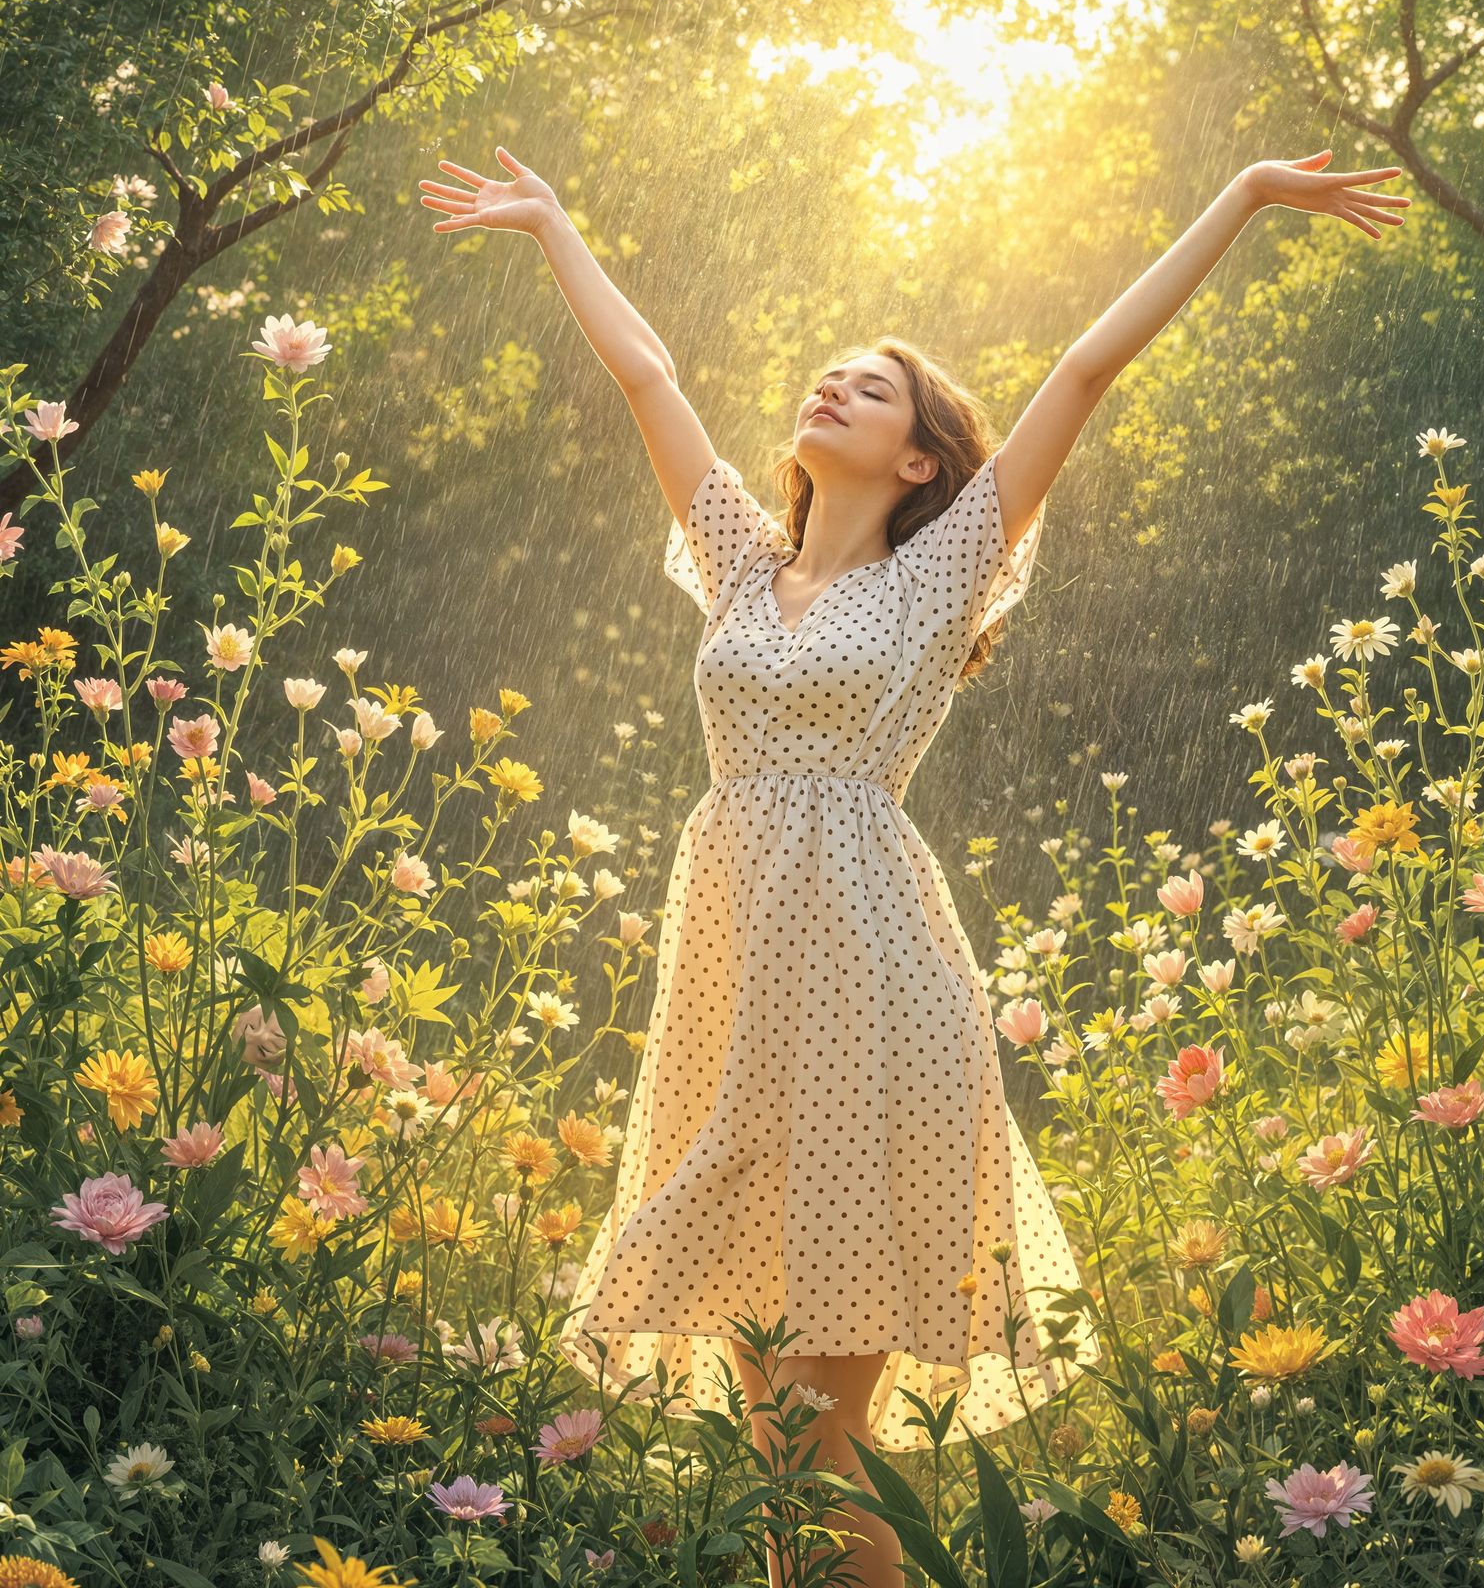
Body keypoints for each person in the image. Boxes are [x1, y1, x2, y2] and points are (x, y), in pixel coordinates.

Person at [418, 143, 1406, 1587]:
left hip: (871, 1000)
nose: (830, 386)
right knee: (769, 1446)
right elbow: (648, 376)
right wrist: (559, 226)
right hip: (735, 1010)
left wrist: (1245, 194)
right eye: (825, 376)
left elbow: (1081, 370)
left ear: (922, 457)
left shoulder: (941, 573)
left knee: (821, 1436)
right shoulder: (743, 563)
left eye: (869, 387)